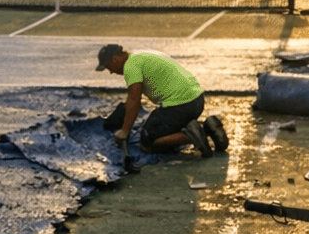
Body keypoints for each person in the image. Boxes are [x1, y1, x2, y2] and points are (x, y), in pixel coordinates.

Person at [95, 43, 225, 157]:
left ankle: (191, 135)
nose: (111, 72)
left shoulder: (130, 66)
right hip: (197, 100)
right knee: (164, 125)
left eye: (108, 67)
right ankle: (208, 127)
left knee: (148, 142)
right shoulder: (141, 55)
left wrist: (124, 131)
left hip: (180, 106)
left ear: (115, 59)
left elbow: (134, 100)